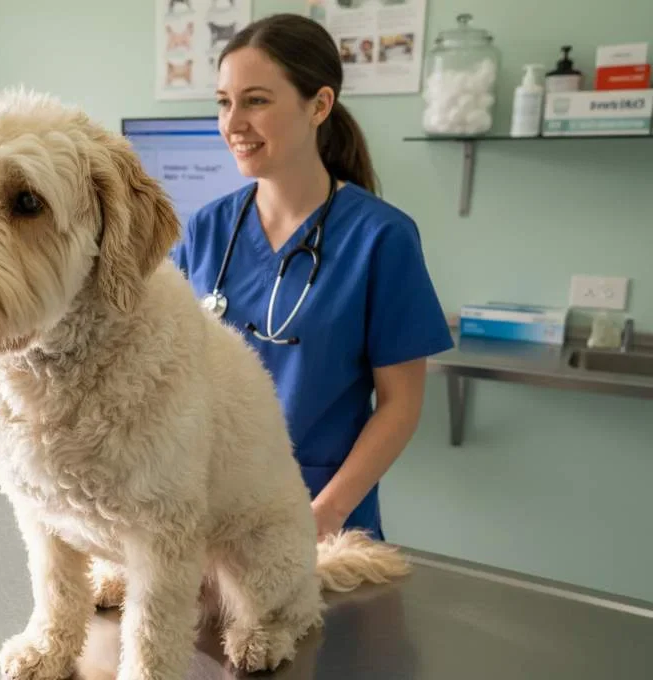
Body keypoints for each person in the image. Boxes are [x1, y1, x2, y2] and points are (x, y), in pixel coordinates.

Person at [169, 13, 454, 542]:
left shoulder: (380, 238)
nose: (233, 123)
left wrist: (323, 515)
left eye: (256, 100)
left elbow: (401, 405)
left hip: (322, 520)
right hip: (208, 513)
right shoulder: (207, 228)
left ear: (319, 105)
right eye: (224, 102)